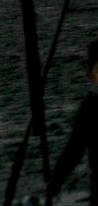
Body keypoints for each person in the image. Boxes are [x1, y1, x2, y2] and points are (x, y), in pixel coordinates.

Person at [47, 39, 98, 203]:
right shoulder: (90, 108)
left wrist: (54, 184)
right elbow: (73, 153)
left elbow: (73, 153)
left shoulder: (90, 108)